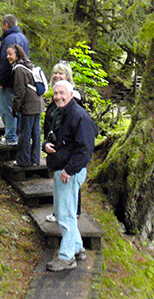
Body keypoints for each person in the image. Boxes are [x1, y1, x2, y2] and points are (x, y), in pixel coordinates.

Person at [43, 80, 96, 272]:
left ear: (71, 94)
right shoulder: (59, 113)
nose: (58, 97)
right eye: (55, 93)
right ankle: (77, 247)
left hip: (69, 172)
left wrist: (69, 170)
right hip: (60, 168)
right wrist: (45, 145)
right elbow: (51, 136)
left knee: (65, 215)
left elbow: (85, 150)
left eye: (61, 93)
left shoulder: (80, 116)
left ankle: (66, 258)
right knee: (65, 211)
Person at [43, 61, 84, 223]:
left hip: (68, 148)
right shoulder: (56, 97)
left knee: (69, 181)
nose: (57, 76)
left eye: (61, 73)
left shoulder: (73, 100)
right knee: (61, 182)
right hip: (56, 147)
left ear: (68, 76)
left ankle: (70, 212)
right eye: (55, 73)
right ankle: (66, 211)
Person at [7, 44, 44, 166]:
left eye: (10, 54)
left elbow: (20, 91)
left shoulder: (19, 69)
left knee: (25, 133)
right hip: (38, 103)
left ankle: (24, 160)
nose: (8, 57)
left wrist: (15, 108)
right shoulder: (28, 65)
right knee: (36, 133)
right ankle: (35, 159)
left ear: (17, 55)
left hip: (28, 106)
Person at [0, 14, 29, 145]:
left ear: (6, 25)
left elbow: (5, 61)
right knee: (18, 109)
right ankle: (17, 136)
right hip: (21, 80)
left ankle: (10, 137)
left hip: (10, 81)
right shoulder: (24, 38)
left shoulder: (9, 39)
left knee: (7, 109)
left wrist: (0, 81)